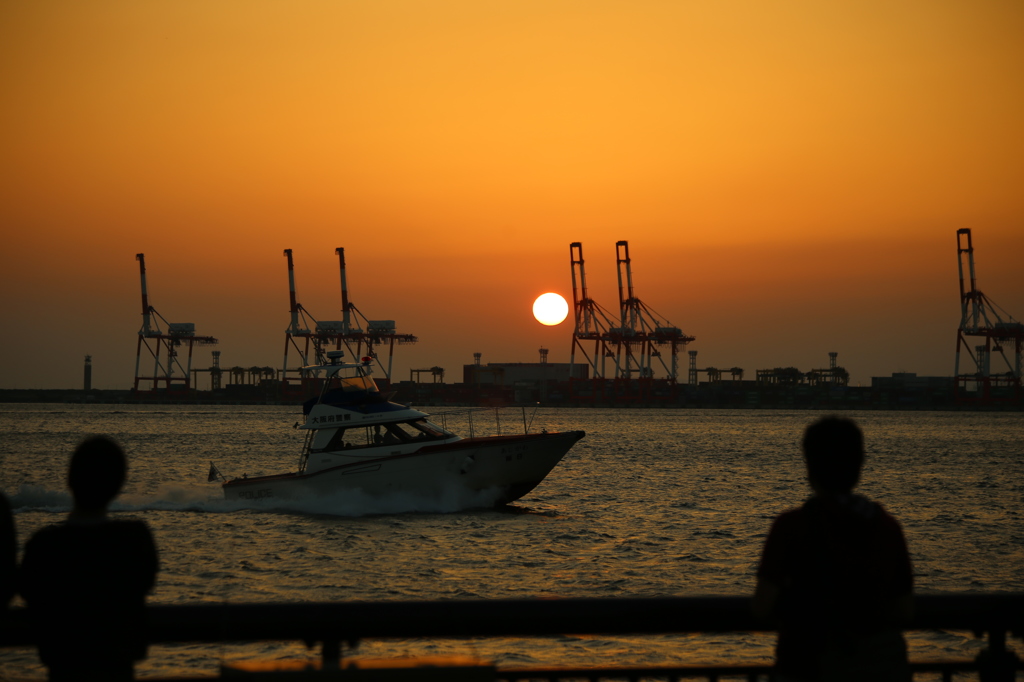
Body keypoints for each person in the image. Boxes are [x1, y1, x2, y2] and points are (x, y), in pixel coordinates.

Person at [752, 417, 913, 682]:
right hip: (881, 669)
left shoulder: (791, 526)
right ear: (860, 465)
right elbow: (905, 610)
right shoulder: (887, 527)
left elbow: (761, 607)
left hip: (806, 667)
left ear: (809, 467)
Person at [20, 436, 159, 681]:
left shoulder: (44, 546)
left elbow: (28, 591)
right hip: (116, 670)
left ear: (70, 480)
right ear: (119, 485)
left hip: (64, 670)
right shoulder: (134, 541)